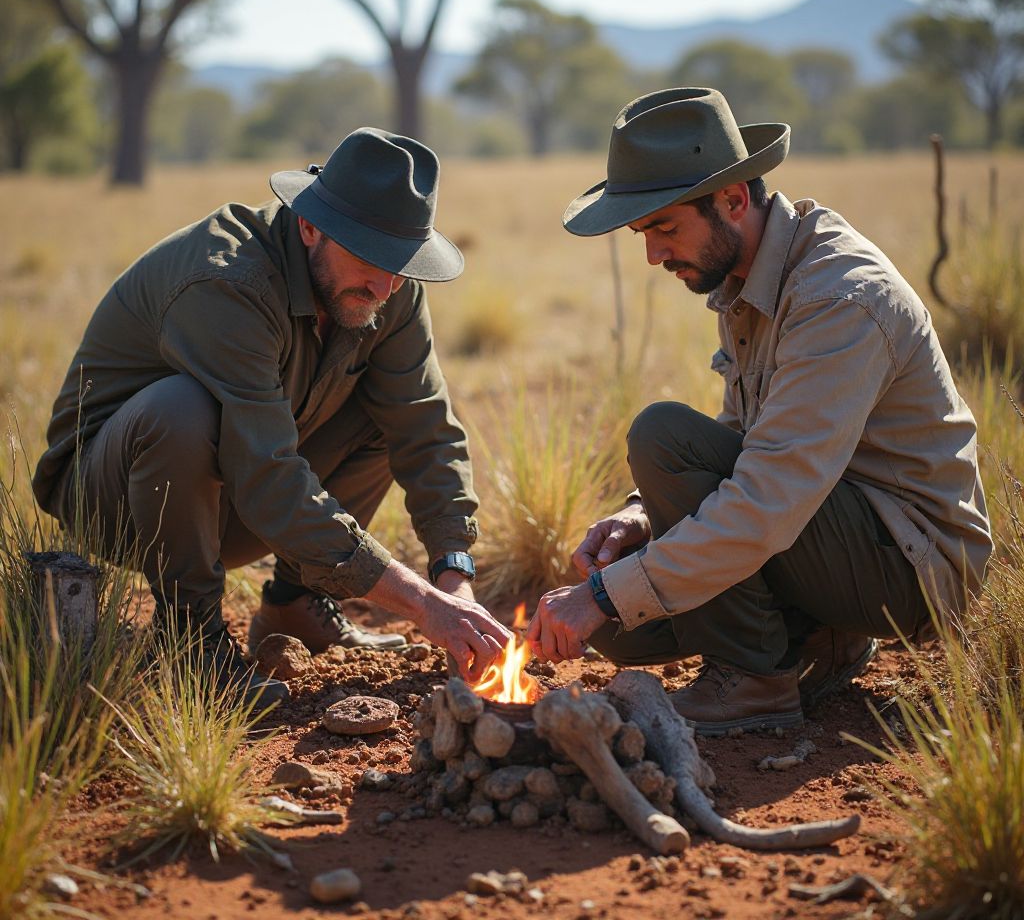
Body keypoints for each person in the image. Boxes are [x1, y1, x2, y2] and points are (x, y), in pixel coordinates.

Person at [526, 88, 992, 734]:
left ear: (734, 201)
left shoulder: (839, 298)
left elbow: (769, 496)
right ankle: (820, 639)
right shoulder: (748, 275)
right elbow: (749, 439)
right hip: (832, 527)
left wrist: (604, 594)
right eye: (644, 232)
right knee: (624, 637)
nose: (653, 255)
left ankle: (757, 684)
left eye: (665, 226)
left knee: (661, 439)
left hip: (909, 569)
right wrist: (641, 515)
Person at [33, 127, 510, 708]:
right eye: (371, 259)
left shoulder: (388, 285)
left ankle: (294, 602)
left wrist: (453, 574)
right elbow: (268, 476)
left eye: (402, 264)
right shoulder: (227, 282)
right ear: (310, 226)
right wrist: (422, 605)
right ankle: (191, 639)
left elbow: (426, 426)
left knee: (387, 413)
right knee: (179, 408)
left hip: (233, 494)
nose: (386, 285)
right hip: (115, 500)